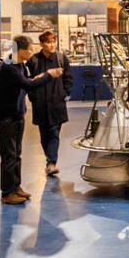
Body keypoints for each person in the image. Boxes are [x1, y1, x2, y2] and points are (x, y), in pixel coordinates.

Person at [0, 35, 63, 205]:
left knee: (16, 154)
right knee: (9, 156)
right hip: (6, 117)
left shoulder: (19, 65)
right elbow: (28, 85)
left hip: (17, 115)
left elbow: (27, 81)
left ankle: (15, 187)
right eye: (30, 49)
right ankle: (7, 193)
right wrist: (48, 74)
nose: (32, 53)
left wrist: (40, 77)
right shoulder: (9, 66)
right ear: (21, 50)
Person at [26, 28, 73, 177]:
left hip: (56, 103)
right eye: (48, 42)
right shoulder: (33, 60)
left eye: (53, 42)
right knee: (44, 134)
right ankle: (49, 159)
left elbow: (68, 78)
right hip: (40, 104)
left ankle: (51, 163)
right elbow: (28, 81)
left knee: (54, 132)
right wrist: (33, 96)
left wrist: (64, 93)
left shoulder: (61, 58)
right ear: (41, 44)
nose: (52, 45)